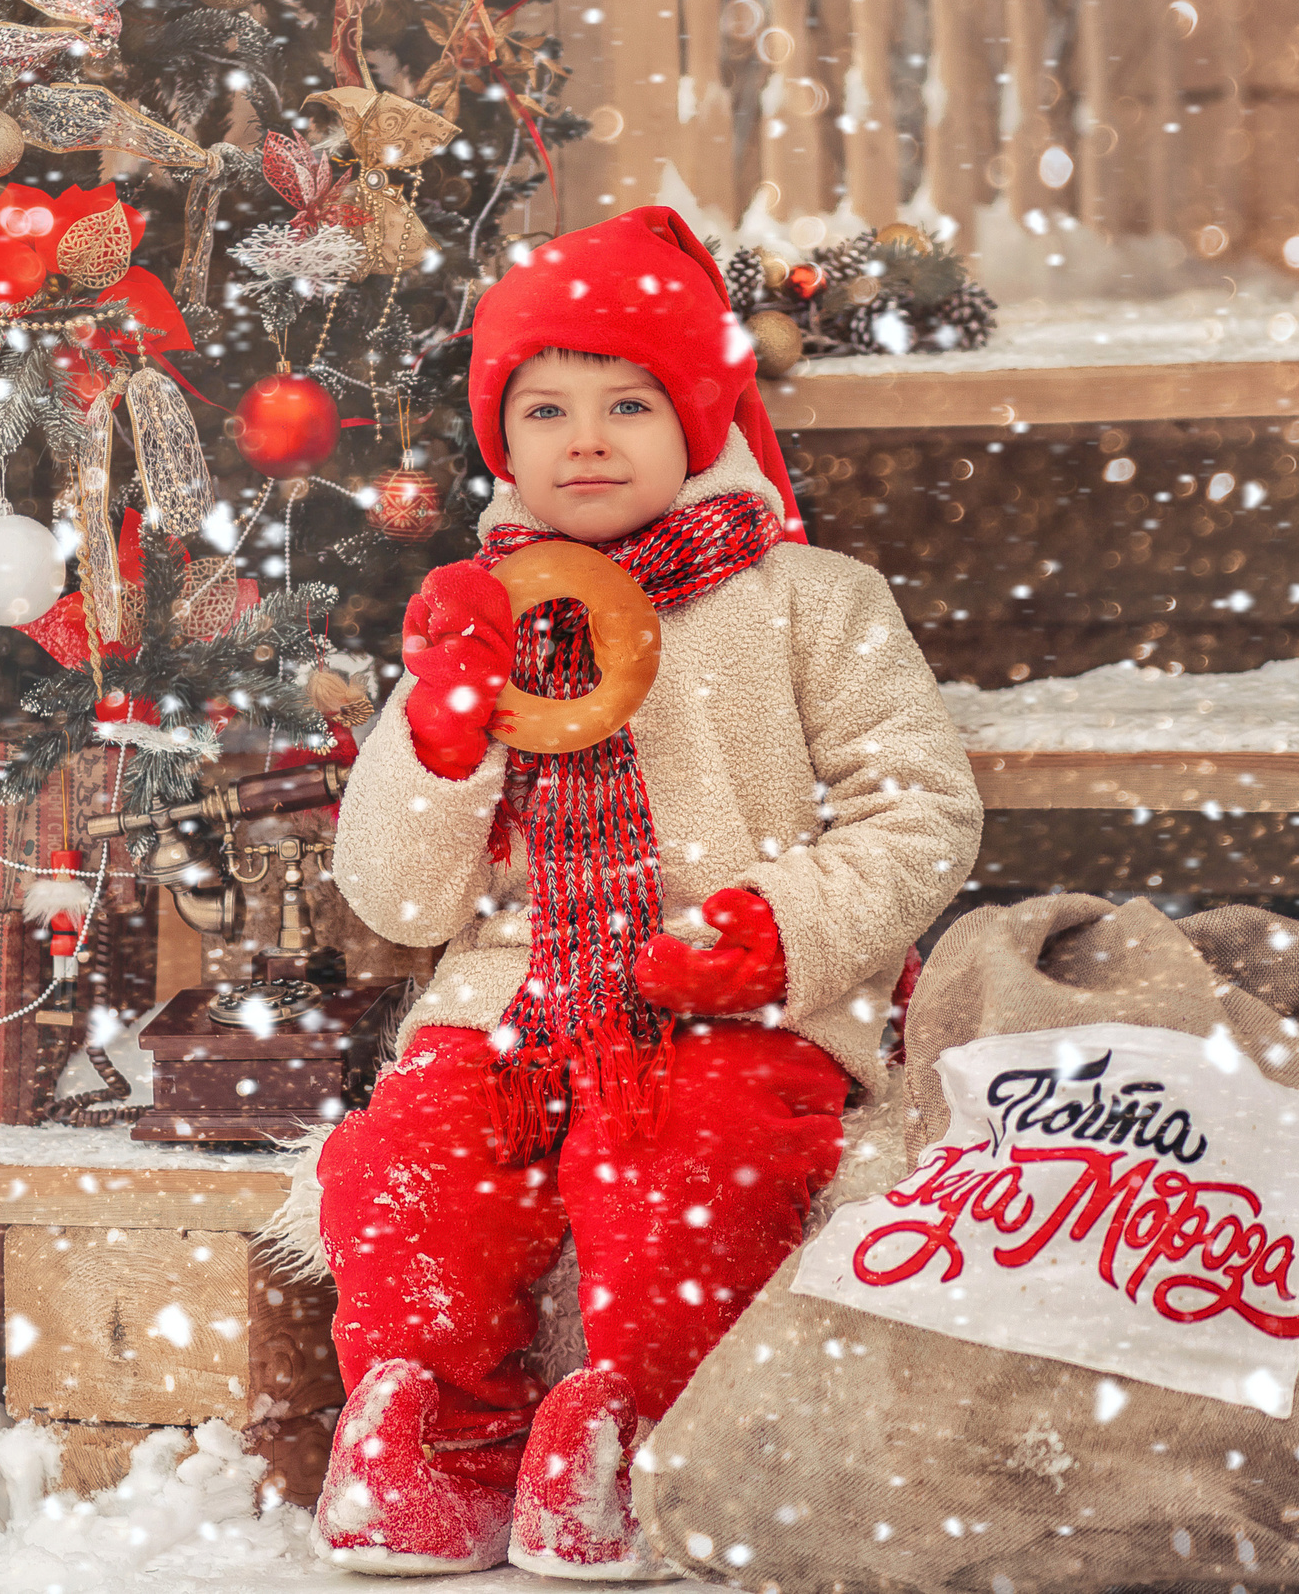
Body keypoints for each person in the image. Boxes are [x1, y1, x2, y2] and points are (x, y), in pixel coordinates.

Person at [308, 206, 984, 1578]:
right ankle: (439, 1434)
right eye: (545, 407)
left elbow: (921, 808)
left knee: (691, 1166)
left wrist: (778, 928)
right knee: (404, 1161)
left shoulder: (807, 597)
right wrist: (442, 741)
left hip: (729, 988)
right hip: (509, 984)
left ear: (700, 419)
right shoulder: (474, 617)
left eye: (630, 400)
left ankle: (636, 1424)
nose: (589, 437)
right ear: (504, 440)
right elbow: (394, 896)